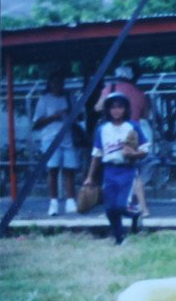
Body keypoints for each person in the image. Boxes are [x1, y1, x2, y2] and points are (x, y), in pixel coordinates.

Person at [82, 93, 148, 245]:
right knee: (110, 208)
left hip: (127, 169)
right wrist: (90, 177)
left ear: (126, 109)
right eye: (113, 108)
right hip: (109, 170)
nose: (116, 111)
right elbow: (97, 154)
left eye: (120, 107)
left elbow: (145, 151)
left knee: (121, 205)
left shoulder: (132, 127)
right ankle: (119, 237)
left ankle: (136, 212)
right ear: (108, 110)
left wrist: (134, 153)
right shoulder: (103, 129)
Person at [95, 64, 151, 217]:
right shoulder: (140, 93)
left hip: (115, 132)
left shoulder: (110, 88)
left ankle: (114, 208)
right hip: (133, 134)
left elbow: (98, 108)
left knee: (112, 174)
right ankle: (143, 207)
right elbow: (145, 114)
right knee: (134, 172)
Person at [31, 71, 82, 216]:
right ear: (50, 84)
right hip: (50, 138)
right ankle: (53, 203)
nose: (57, 86)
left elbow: (80, 116)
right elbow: (36, 123)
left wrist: (72, 112)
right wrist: (53, 117)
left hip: (68, 137)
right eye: (54, 83)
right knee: (52, 169)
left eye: (60, 82)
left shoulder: (69, 97)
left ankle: (70, 201)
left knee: (69, 169)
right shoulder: (44, 99)